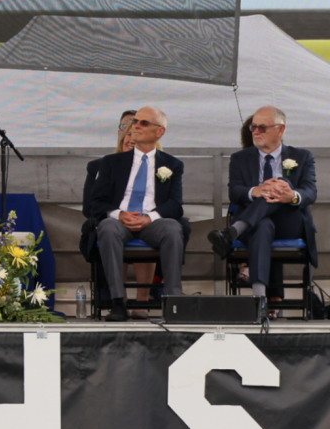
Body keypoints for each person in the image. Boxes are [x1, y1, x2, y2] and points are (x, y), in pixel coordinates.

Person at [208, 106, 317, 308]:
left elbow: (310, 192)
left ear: (280, 130)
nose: (256, 132)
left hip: (288, 223)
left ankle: (232, 232)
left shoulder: (302, 156)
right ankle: (260, 301)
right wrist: (255, 191)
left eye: (262, 128)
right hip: (256, 225)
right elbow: (235, 192)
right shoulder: (240, 158)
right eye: (253, 127)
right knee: (263, 224)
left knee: (285, 184)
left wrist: (291, 195)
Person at [90, 107, 186, 322]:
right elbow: (96, 202)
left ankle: (174, 301)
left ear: (159, 132)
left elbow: (175, 205)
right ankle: (117, 302)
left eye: (143, 123)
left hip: (151, 222)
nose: (136, 126)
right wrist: (119, 214)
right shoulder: (112, 162)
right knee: (106, 227)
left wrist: (149, 218)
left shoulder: (172, 165)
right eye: (135, 121)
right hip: (120, 221)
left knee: (173, 228)